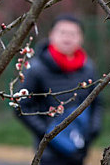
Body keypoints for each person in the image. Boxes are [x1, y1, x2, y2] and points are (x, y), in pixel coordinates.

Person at [16, 14, 102, 165]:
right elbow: (21, 107)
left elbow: (96, 103)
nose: (67, 38)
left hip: (80, 148)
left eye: (73, 33)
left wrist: (92, 132)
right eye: (62, 32)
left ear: (81, 38)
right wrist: (49, 135)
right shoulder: (36, 68)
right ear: (51, 35)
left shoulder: (88, 68)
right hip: (48, 152)